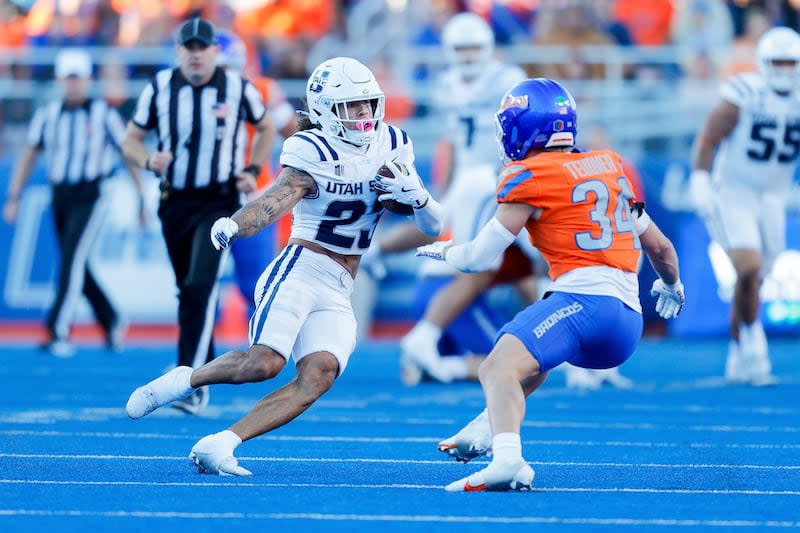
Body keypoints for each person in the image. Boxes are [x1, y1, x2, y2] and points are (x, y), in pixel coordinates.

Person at [125, 57, 444, 476]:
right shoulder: (310, 148)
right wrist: (234, 225)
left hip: (343, 281)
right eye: (352, 106)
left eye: (368, 103)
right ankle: (184, 380)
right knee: (263, 364)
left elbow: (432, 227)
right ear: (326, 111)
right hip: (302, 267)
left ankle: (222, 443)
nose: (364, 115)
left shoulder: (395, 143)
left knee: (319, 374)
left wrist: (418, 196)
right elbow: (278, 197)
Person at [416, 78, 684, 492]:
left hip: (585, 303)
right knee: (531, 362)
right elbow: (661, 247)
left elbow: (479, 259)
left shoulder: (530, 174)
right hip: (628, 321)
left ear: (522, 127)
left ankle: (507, 461)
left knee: (496, 367)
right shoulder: (611, 166)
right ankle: (486, 429)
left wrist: (443, 251)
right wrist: (673, 285)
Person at [362, 12, 530, 382]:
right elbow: (454, 140)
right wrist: (449, 186)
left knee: (522, 262)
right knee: (487, 253)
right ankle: (427, 337)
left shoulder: (504, 80)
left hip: (499, 178)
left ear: (488, 48)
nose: (468, 56)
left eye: (474, 47)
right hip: (484, 181)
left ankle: (431, 343)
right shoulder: (456, 84)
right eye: (461, 48)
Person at [121, 17, 276, 414]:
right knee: (186, 289)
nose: (195, 54)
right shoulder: (159, 88)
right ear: (179, 52)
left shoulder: (238, 87)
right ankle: (202, 366)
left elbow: (266, 128)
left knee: (200, 285)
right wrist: (150, 160)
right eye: (188, 47)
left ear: (214, 51)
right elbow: (131, 141)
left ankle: (189, 383)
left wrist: (253, 170)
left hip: (219, 201)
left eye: (201, 47)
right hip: (175, 200)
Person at [2, 48, 145, 357]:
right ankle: (112, 319)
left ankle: (57, 329)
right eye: (68, 79)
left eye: (78, 78)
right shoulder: (48, 114)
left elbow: (128, 154)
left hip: (91, 194)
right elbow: (29, 155)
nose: (73, 85)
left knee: (71, 260)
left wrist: (141, 200)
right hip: (60, 194)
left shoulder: (104, 114)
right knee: (76, 262)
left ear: (87, 80)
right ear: (60, 80)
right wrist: (14, 195)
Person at [688, 26, 800, 386]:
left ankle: (740, 348)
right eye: (777, 62)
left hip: (773, 196)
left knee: (755, 278)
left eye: (790, 62)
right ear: (764, 63)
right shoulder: (745, 91)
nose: (783, 70)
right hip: (733, 191)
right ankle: (755, 343)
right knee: (748, 267)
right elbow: (709, 136)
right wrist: (700, 178)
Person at [216, 28, 299, 318]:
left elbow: (295, 136)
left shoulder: (260, 90)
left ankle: (264, 353)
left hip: (253, 199)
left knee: (257, 287)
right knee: (199, 286)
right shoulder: (186, 99)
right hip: (206, 200)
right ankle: (198, 357)